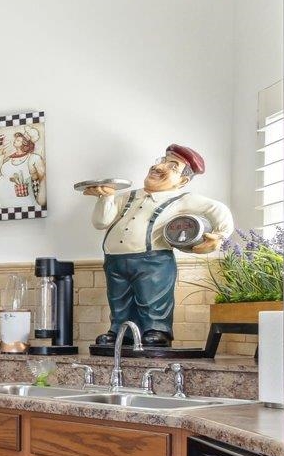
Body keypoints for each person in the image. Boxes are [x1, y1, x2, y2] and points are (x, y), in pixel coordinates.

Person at [85, 144, 233, 347]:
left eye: (173, 166)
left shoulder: (182, 199)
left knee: (152, 298)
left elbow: (218, 210)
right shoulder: (127, 196)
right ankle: (121, 330)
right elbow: (100, 222)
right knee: (119, 299)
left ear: (182, 181)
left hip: (153, 261)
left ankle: (157, 329)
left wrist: (220, 236)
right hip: (114, 260)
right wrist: (106, 196)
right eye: (163, 160)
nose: (161, 167)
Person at [0, 127, 45, 209]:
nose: (15, 140)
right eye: (16, 139)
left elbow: (42, 178)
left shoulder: (32, 158)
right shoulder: (10, 157)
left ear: (25, 144)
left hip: (19, 201)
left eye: (18, 140)